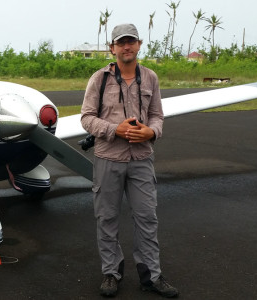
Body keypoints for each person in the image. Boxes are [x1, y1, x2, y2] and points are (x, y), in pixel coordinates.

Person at [81, 24, 179, 298]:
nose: (127, 47)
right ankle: (111, 273)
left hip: (142, 159)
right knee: (107, 218)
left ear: (139, 44)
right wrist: (115, 130)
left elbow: (157, 115)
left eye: (131, 42)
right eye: (121, 42)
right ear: (112, 48)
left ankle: (152, 276)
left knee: (147, 218)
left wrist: (152, 131)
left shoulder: (150, 78)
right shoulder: (98, 80)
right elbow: (86, 118)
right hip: (108, 158)